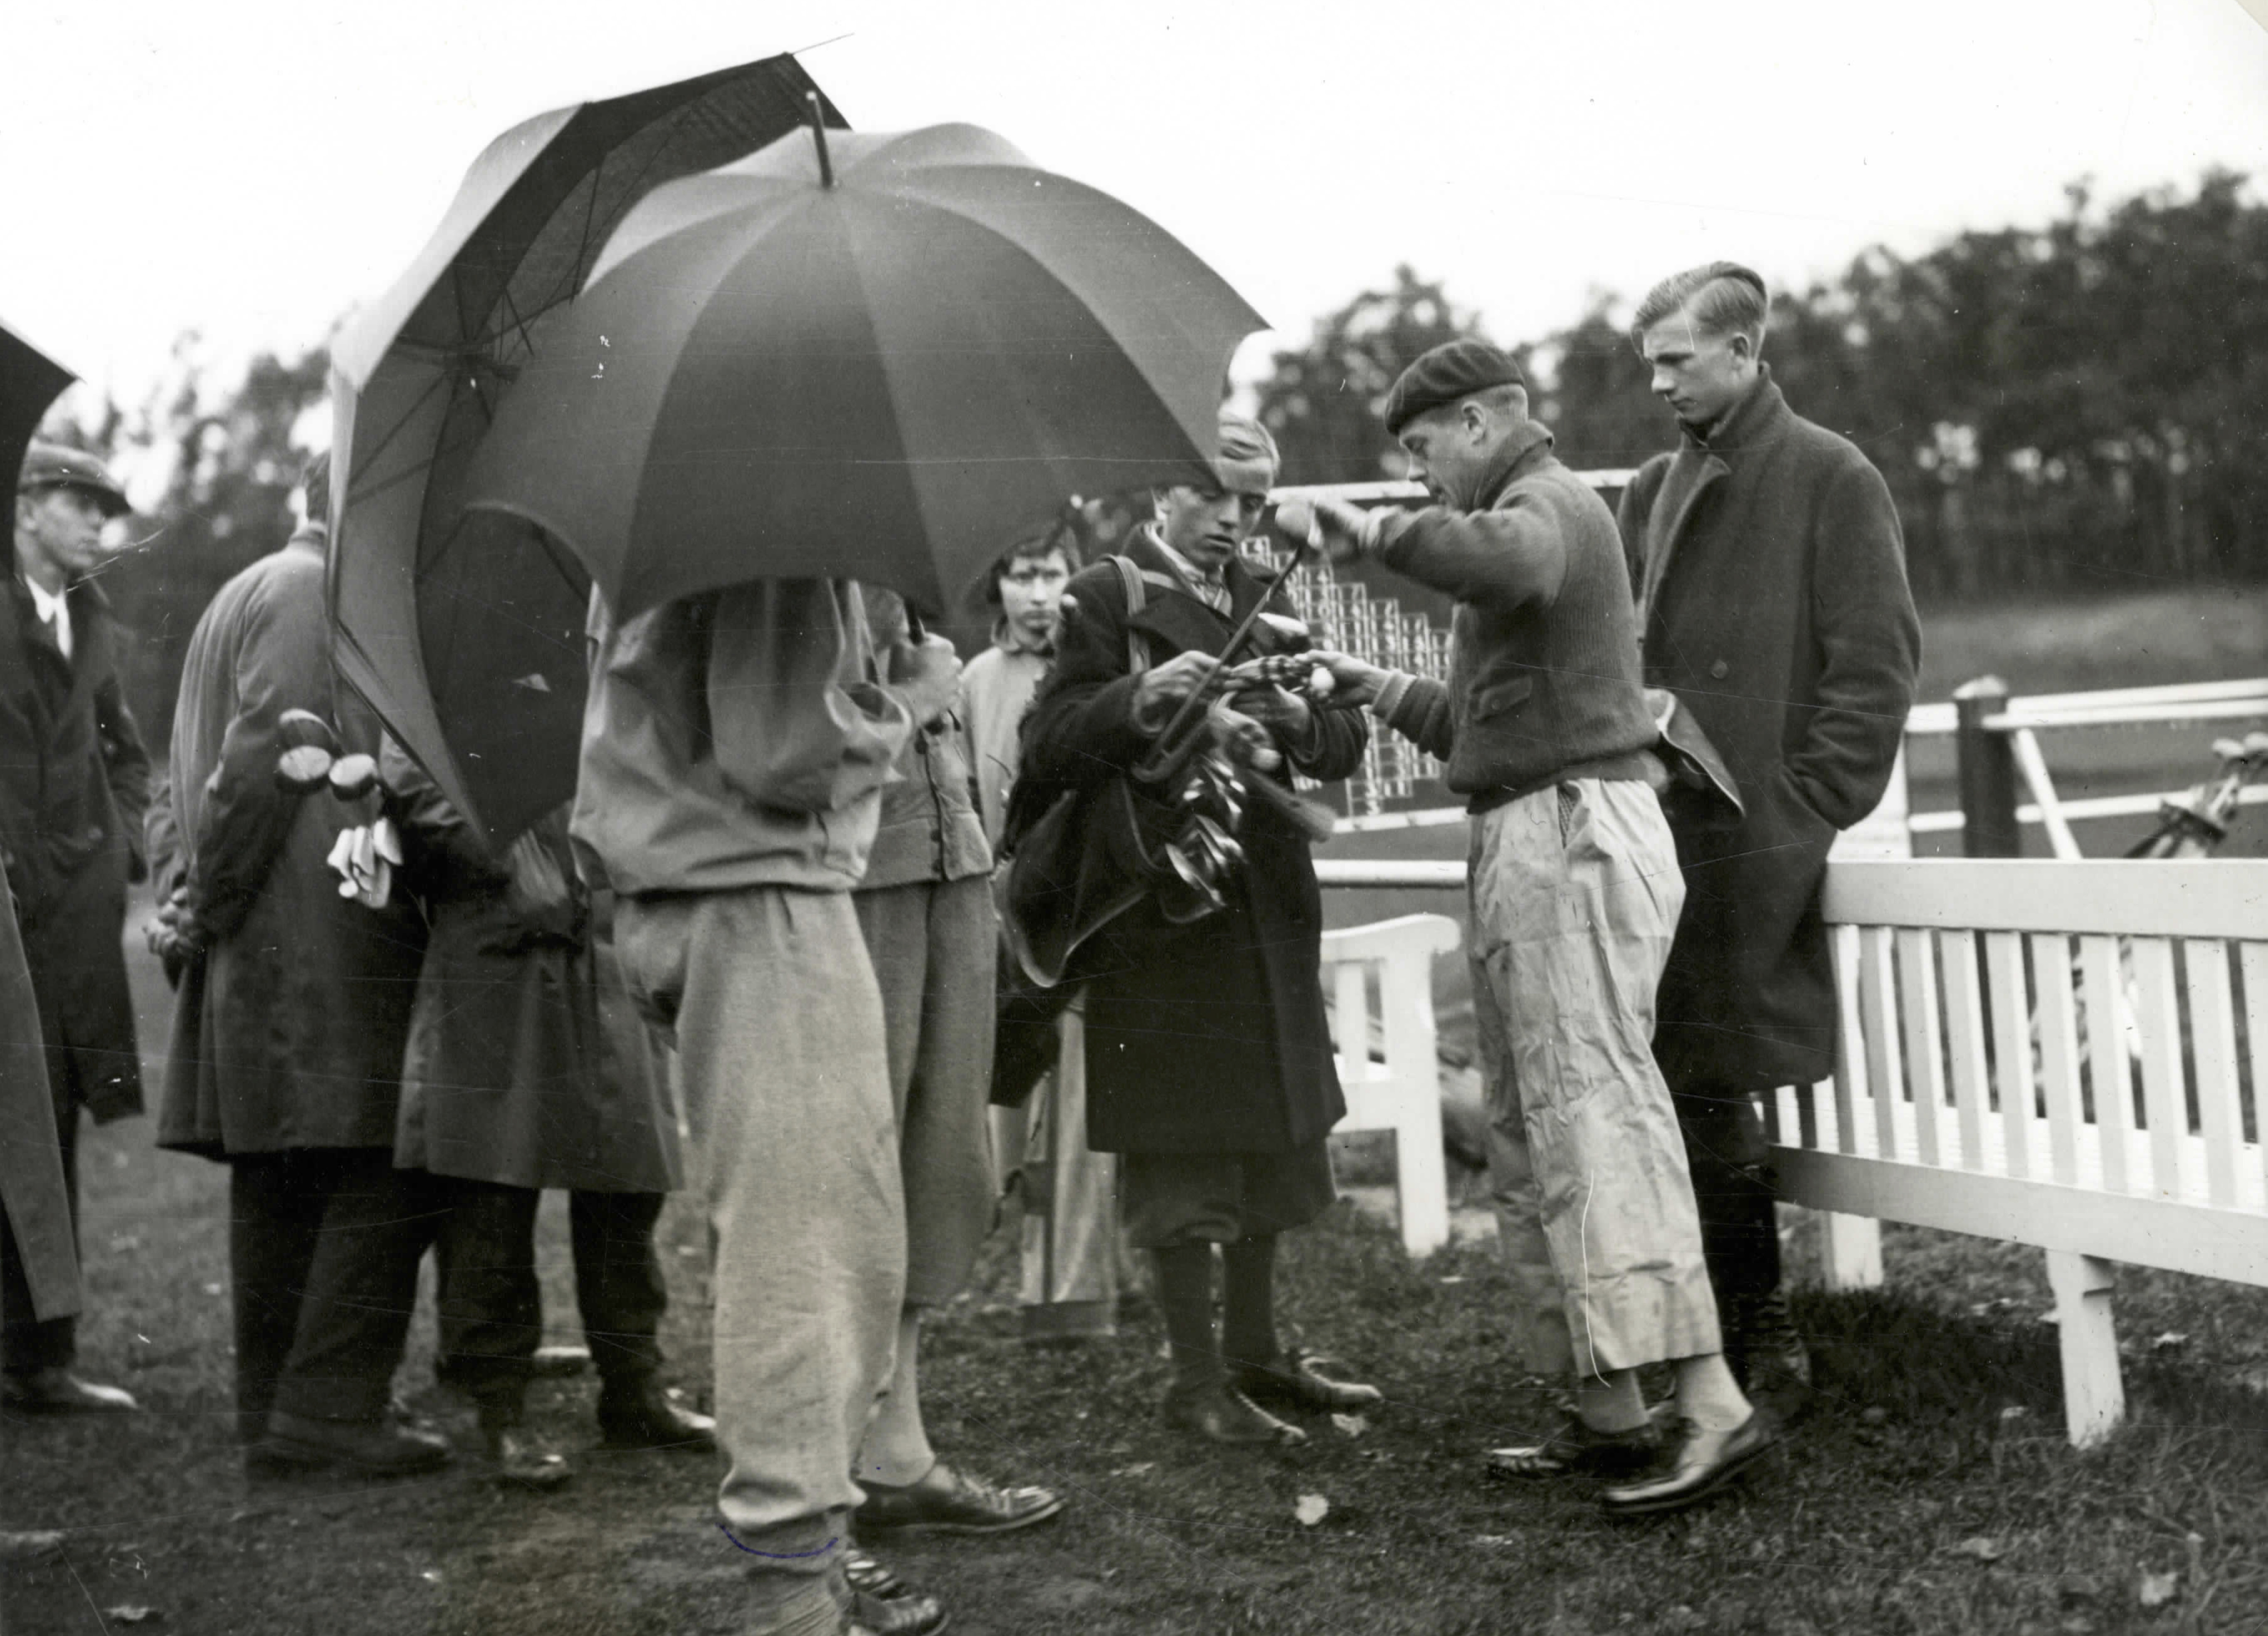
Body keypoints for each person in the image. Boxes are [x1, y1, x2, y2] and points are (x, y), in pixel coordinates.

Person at [1286, 341, 1773, 1516]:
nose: (1419, 477)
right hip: (1526, 826)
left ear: (1483, 421)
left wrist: (1364, 530)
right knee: (1529, 1132)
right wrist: (1372, 683)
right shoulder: (1519, 531)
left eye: (1422, 450)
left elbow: (1507, 559)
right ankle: (1609, 1406)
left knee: (1596, 1116)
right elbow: (1479, 722)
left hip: (1570, 835)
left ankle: (1711, 1403)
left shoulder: (1544, 505)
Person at [577, 575, 960, 1636]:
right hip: (759, 902)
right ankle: (791, 1587)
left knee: (823, 1236)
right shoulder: (776, 536)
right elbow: (784, 752)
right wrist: (910, 697)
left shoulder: (689, 534)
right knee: (809, 1252)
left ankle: (812, 1559)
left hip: (698, 897)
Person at [1019, 409, 1380, 1449]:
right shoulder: (1105, 597)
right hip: (1164, 918)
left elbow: (1342, 732)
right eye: (1216, 495)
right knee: (1186, 1149)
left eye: (1254, 501)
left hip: (1263, 905)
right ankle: (1195, 1378)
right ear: (1158, 488)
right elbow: (1045, 745)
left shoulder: (1265, 598)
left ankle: (1259, 1349)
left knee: (1271, 1131)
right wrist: (1142, 696)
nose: (1236, 519)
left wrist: (1299, 724)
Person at [1619, 263, 1920, 1413]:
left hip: (1751, 837)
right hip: (1659, 829)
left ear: (1744, 351)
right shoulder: (1653, 486)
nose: (1656, 384)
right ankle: (1711, 1333)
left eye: (1676, 361)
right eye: (1649, 363)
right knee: (1673, 1079)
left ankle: (1766, 1335)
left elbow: (1877, 664)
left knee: (1710, 1079)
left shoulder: (1832, 474)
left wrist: (1803, 803)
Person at [150, 453, 445, 1473]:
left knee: (282, 1172)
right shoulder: (309, 591)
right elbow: (256, 765)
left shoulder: (249, 587)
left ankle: (273, 1405)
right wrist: (212, 906)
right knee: (380, 1153)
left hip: (268, 929)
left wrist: (191, 898)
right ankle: (327, 1410)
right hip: (308, 929)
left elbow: (183, 770)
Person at [380, 760, 715, 1489]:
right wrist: (514, 850)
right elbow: (414, 790)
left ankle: (635, 1387)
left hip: (601, 953)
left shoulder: (588, 669)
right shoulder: (436, 683)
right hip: (496, 958)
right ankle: (501, 1412)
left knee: (628, 1181)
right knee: (492, 1197)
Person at [846, 588, 1063, 1535]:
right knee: (857, 1172)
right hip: (868, 880)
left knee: (939, 1167)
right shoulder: (810, 558)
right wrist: (906, 694)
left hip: (950, 870)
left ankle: (897, 1455)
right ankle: (831, 1473)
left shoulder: (899, 563)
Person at [1, 442, 147, 1415]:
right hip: (5, 911)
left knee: (50, 1118)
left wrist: (119, 845)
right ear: (25, 508)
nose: (100, 522)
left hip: (71, 924)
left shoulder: (89, 621)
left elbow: (126, 756)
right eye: (79, 501)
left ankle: (40, 1355)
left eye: (107, 507)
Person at [959, 519, 1125, 1346]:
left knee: (1081, 1099)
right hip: (995, 911)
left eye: (1052, 573)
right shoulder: (975, 682)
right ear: (998, 583)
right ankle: (1009, 1251)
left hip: (1079, 910)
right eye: (1021, 573)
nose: (1036, 593)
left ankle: (1073, 1294)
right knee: (1004, 1101)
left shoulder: (1090, 669)